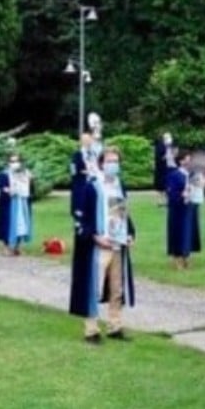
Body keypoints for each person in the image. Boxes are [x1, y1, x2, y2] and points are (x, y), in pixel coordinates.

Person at [68, 147, 136, 344]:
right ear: (100, 163)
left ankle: (115, 326)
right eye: (109, 161)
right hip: (99, 245)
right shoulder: (92, 187)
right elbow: (82, 217)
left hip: (117, 244)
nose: (113, 165)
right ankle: (91, 330)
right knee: (94, 288)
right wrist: (95, 237)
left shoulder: (118, 186)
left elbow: (123, 212)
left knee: (117, 289)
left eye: (116, 161)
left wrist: (130, 233)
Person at [0, 153, 34, 256]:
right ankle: (6, 247)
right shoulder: (4, 174)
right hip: (9, 203)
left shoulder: (25, 173)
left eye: (17, 161)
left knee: (22, 224)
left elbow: (31, 189)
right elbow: (1, 188)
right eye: (12, 161)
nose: (15, 163)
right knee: (8, 223)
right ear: (8, 162)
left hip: (22, 202)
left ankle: (17, 247)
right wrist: (7, 190)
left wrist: (30, 180)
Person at [166, 150, 200, 269]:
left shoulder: (190, 175)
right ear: (181, 161)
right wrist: (182, 195)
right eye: (187, 158)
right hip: (178, 209)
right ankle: (177, 258)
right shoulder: (175, 175)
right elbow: (171, 193)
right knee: (178, 232)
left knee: (188, 232)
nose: (189, 160)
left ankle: (187, 255)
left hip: (189, 207)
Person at [70, 132, 95, 232]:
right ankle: (79, 224)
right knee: (80, 206)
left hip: (93, 182)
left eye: (88, 140)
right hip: (80, 184)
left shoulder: (94, 154)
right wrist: (84, 172)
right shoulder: (77, 154)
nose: (87, 142)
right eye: (84, 140)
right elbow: (73, 170)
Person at [153, 132, 173, 207]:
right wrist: (166, 156)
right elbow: (159, 158)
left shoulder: (169, 147)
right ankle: (160, 202)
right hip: (161, 170)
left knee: (167, 186)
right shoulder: (160, 146)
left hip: (168, 168)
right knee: (160, 187)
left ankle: (167, 201)